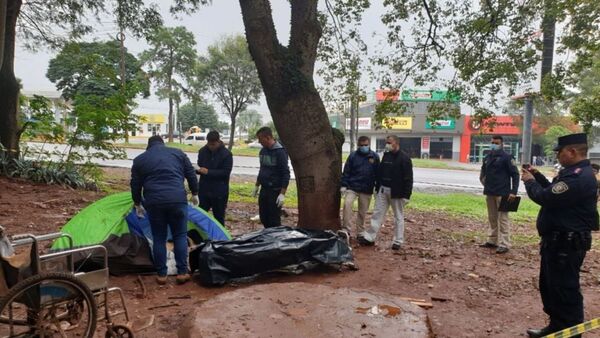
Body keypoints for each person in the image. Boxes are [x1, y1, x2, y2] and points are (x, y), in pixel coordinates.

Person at [521, 133, 598, 338]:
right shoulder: (572, 172)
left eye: (559, 152)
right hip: (558, 242)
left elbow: (545, 197)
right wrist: (537, 176)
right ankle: (556, 327)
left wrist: (529, 182)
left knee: (565, 291)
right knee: (551, 288)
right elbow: (553, 191)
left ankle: (570, 334)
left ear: (572, 152)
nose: (557, 155)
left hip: (567, 243)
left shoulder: (578, 177)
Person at [130, 135, 199, 285]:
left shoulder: (140, 159)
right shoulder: (178, 153)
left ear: (148, 146)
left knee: (159, 238)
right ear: (163, 143)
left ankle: (162, 275)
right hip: (177, 200)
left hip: (154, 202)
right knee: (180, 235)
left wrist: (137, 203)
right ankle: (182, 273)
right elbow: (191, 173)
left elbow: (135, 184)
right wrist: (195, 193)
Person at [358, 135, 413, 250]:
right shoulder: (386, 155)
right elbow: (381, 172)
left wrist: (406, 195)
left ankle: (398, 240)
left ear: (396, 143)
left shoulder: (404, 158)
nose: (387, 144)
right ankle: (370, 237)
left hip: (397, 192)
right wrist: (377, 187)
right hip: (383, 190)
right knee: (377, 213)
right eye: (386, 142)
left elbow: (408, 178)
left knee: (398, 216)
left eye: (389, 142)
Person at [478, 135, 519, 254]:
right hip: (490, 192)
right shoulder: (487, 157)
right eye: (492, 142)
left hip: (503, 193)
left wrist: (513, 191)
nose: (493, 144)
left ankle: (504, 243)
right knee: (492, 218)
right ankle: (492, 240)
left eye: (496, 143)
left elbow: (515, 175)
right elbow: (483, 172)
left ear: (502, 144)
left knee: (503, 219)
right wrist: (484, 183)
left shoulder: (507, 157)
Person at [340, 136, 380, 242]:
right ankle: (346, 229)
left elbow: (378, 173)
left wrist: (377, 187)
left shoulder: (374, 157)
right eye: (361, 145)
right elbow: (347, 171)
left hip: (367, 188)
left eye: (366, 145)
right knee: (347, 204)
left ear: (369, 144)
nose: (364, 147)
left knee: (362, 211)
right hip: (352, 186)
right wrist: (344, 185)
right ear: (358, 145)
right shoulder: (353, 156)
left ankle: (360, 231)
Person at [252, 127, 290, 228]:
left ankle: (275, 239)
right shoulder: (263, 151)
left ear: (268, 137)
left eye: (261, 139)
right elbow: (262, 170)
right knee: (264, 217)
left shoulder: (280, 152)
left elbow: (286, 174)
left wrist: (282, 194)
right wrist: (257, 186)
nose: (259, 142)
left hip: (275, 191)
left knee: (273, 219)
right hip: (264, 190)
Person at [196, 131, 233, 226]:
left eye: (213, 144)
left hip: (219, 191)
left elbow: (225, 172)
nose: (211, 146)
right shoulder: (202, 151)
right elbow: (200, 165)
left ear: (218, 141)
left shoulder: (226, 154)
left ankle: (220, 239)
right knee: (200, 215)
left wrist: (209, 172)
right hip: (204, 189)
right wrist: (198, 170)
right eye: (209, 144)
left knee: (219, 217)